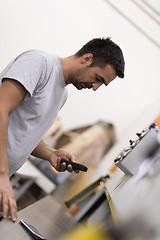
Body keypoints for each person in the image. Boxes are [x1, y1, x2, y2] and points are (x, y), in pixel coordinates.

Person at [0, 37, 125, 222]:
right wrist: (2, 174)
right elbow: (1, 109)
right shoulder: (40, 63)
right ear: (87, 59)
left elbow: (23, 133)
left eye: (102, 85)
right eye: (98, 78)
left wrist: (51, 154)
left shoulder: (62, 95)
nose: (95, 88)